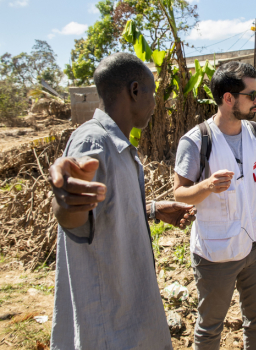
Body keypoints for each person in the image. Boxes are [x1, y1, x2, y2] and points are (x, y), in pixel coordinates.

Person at [48, 52, 195, 350]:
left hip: (129, 314)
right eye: (153, 94)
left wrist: (153, 210)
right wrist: (64, 203)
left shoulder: (118, 145)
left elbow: (105, 211)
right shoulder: (94, 142)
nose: (156, 104)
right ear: (135, 90)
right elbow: (77, 219)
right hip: (111, 326)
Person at [173, 61, 256, 349]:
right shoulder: (195, 142)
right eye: (251, 95)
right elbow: (179, 194)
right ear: (228, 98)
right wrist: (206, 186)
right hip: (217, 254)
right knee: (210, 328)